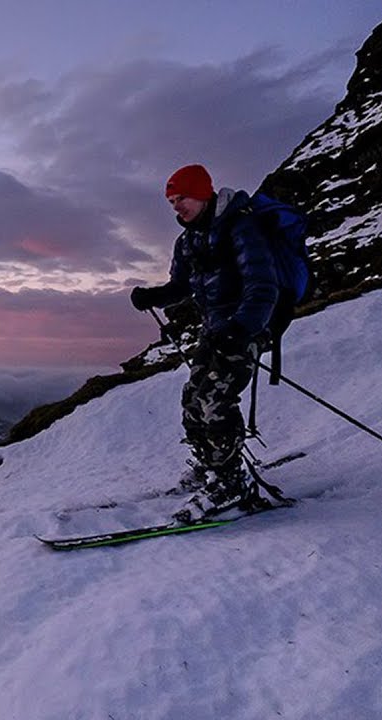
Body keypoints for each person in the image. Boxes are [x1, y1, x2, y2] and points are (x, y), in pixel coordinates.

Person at [129, 164, 282, 524]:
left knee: (215, 400)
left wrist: (242, 327)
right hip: (215, 330)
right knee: (192, 398)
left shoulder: (240, 227)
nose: (175, 207)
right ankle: (212, 466)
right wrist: (153, 296)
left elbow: (263, 285)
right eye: (171, 201)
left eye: (181, 198)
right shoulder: (188, 240)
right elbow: (181, 287)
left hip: (245, 329)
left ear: (202, 193)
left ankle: (231, 483)